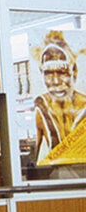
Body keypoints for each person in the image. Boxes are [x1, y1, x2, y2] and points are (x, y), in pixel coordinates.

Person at [34, 31, 86, 164]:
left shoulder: (83, 106)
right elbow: (35, 156)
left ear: (73, 71)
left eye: (62, 72)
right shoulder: (41, 106)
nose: (56, 81)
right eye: (49, 74)